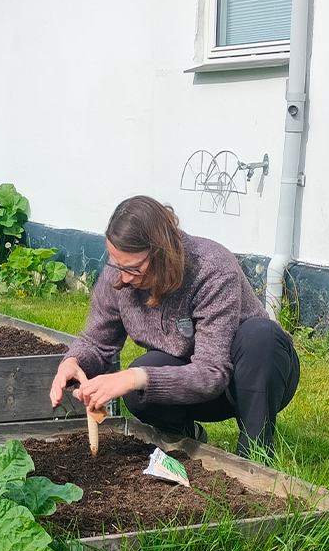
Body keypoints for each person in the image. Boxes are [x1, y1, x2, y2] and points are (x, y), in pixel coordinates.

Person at [49, 195, 300, 459]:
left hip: (252, 379)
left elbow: (212, 372)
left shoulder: (212, 269)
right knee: (140, 382)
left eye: (133, 269)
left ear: (162, 252)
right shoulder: (122, 273)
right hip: (191, 385)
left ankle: (255, 453)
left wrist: (132, 378)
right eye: (117, 265)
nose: (123, 277)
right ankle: (184, 437)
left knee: (260, 335)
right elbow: (96, 342)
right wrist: (73, 362)